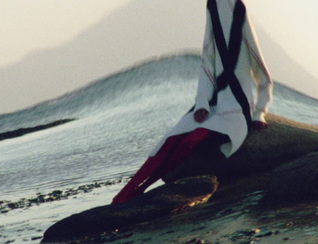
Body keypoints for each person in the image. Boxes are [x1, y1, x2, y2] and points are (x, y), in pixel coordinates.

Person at [112, 0, 273, 204]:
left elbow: (263, 73)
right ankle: (127, 191)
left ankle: (143, 187)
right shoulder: (212, 5)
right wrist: (202, 103)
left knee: (192, 139)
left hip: (237, 107)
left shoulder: (239, 8)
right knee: (170, 139)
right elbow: (207, 59)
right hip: (214, 103)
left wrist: (260, 112)